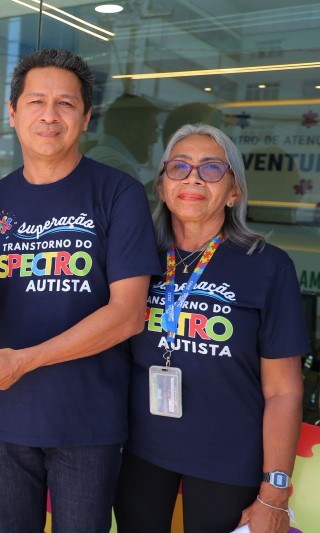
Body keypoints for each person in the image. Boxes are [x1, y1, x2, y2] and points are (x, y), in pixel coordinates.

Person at [0, 49, 160, 532]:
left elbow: (128, 313)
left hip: (87, 422)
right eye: (36, 101)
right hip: (7, 416)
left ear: (86, 117)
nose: (49, 115)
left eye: (66, 104)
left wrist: (25, 360)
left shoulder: (118, 194)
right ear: (12, 113)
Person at [113, 123, 306, 533]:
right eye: (179, 167)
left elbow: (284, 390)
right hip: (138, 452)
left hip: (227, 459)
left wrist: (275, 490)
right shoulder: (134, 257)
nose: (194, 177)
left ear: (233, 191)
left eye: (212, 168)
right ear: (163, 186)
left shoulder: (268, 267)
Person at [85, 93, 159, 181]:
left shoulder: (94, 155)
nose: (155, 140)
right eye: (152, 130)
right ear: (134, 130)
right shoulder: (122, 169)